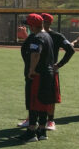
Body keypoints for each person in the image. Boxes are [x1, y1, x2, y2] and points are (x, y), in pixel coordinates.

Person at [16, 13, 57, 142]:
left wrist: (31, 70)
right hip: (48, 74)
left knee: (33, 102)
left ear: (33, 26)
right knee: (43, 102)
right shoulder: (47, 36)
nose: (27, 27)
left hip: (38, 75)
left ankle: (31, 132)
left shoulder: (37, 37)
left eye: (28, 25)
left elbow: (35, 54)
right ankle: (42, 131)